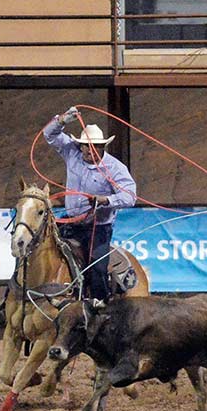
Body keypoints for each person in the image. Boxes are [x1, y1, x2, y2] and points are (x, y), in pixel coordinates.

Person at [44, 107, 137, 301]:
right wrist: (62, 119)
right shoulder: (72, 152)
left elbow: (130, 196)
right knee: (39, 249)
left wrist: (106, 200)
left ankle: (100, 306)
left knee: (97, 266)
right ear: (80, 145)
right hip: (70, 221)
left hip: (98, 227)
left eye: (94, 146)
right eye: (85, 145)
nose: (89, 149)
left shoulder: (114, 168)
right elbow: (49, 135)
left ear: (102, 147)